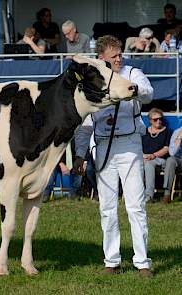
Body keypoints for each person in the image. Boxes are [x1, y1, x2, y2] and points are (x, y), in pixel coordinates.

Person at [74, 35, 153, 278]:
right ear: (101, 59)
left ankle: (142, 263)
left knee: (135, 206)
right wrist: (79, 154)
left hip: (129, 145)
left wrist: (134, 89)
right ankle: (112, 260)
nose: (119, 59)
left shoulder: (133, 73)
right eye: (113, 56)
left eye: (120, 55)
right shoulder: (93, 83)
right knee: (107, 207)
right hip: (103, 146)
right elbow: (85, 123)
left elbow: (149, 93)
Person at [142, 108, 171, 202]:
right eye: (155, 119)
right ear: (150, 121)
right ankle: (132, 194)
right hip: (145, 158)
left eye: (160, 119)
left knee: (149, 164)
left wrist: (153, 156)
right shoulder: (144, 132)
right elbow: (138, 147)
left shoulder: (167, 132)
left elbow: (166, 149)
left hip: (161, 160)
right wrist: (143, 156)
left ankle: (149, 196)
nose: (159, 121)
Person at [162, 126, 182, 204]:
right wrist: (179, 137)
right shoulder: (177, 132)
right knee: (170, 160)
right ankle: (167, 194)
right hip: (179, 160)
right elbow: (172, 153)